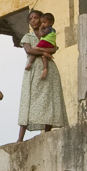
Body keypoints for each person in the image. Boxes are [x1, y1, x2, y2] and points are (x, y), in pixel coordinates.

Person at [16, 8, 69, 140]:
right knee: (28, 100)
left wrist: (44, 51)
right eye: (30, 19)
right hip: (33, 71)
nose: (33, 20)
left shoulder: (49, 33)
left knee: (49, 99)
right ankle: (20, 138)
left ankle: (47, 133)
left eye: (35, 18)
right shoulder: (28, 37)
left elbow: (53, 49)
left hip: (49, 69)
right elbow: (29, 50)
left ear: (42, 19)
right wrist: (45, 53)